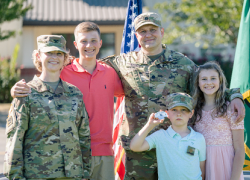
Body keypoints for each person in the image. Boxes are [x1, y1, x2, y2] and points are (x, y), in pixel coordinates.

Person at [100, 12, 245, 179]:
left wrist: (235, 96)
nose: (148, 35)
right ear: (136, 35)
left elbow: (208, 84)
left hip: (174, 148)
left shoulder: (182, 63)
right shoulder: (121, 62)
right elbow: (90, 68)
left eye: (152, 30)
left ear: (161, 32)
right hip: (139, 150)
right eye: (143, 31)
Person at [10, 22, 124, 180]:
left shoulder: (110, 73)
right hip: (71, 156)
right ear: (76, 45)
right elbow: (43, 79)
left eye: (93, 40)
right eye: (84, 41)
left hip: (103, 153)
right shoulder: (63, 71)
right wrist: (15, 90)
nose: (89, 45)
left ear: (100, 43)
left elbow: (131, 93)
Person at [4, 35, 91, 180]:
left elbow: (83, 137)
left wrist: (86, 173)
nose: (54, 57)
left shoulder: (74, 94)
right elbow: (15, 141)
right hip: (37, 175)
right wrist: (15, 177)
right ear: (38, 56)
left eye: (59, 54)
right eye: (49, 53)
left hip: (73, 175)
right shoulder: (26, 94)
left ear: (65, 59)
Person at [130, 92, 206, 180]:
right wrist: (149, 125)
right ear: (167, 113)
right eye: (174, 110)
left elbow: (201, 168)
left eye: (184, 110)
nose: (179, 114)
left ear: (191, 113)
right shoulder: (160, 136)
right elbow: (134, 146)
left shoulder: (199, 138)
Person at [191, 61, 245, 180]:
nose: (209, 82)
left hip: (226, 167)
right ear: (198, 83)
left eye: (213, 78)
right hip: (202, 166)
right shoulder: (194, 111)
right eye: (204, 79)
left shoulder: (230, 108)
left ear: (220, 81)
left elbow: (240, 149)